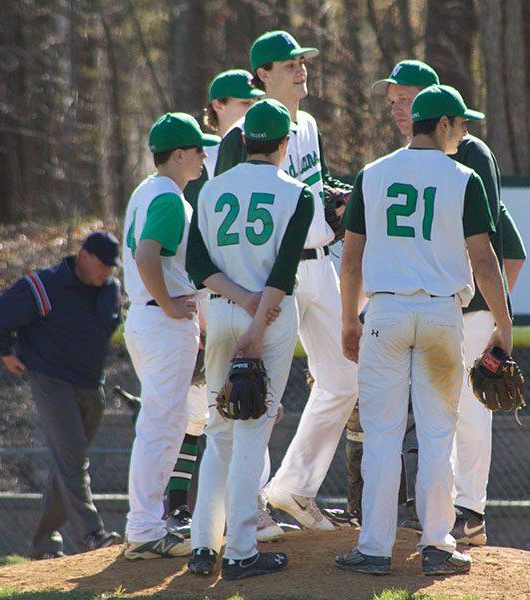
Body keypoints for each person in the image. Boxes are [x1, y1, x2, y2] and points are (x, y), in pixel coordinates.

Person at [338, 60, 528, 544]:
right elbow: (487, 259)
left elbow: (352, 261)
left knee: (385, 433)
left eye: (404, 100)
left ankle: (374, 545)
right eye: (460, 123)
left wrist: (349, 320)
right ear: (442, 122)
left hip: (385, 313)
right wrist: (505, 323)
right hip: (444, 312)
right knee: (441, 432)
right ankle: (439, 540)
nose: (463, 132)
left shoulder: (373, 173)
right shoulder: (461, 176)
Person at [214, 29, 358, 536]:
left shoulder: (310, 124)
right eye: (287, 62)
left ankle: (294, 488)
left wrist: (337, 199)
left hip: (321, 262)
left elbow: (311, 189)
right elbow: (228, 209)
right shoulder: (239, 139)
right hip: (276, 274)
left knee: (345, 378)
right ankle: (247, 507)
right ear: (262, 76)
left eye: (302, 60)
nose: (300, 68)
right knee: (262, 393)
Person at [186, 99, 314, 580]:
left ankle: (203, 544)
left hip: (221, 311)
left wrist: (240, 300)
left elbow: (198, 264)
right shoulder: (297, 193)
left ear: (241, 141)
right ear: (284, 144)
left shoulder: (210, 189)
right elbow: (284, 269)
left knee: (218, 430)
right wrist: (257, 325)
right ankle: (240, 550)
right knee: (252, 431)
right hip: (272, 316)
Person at [165, 68, 265, 539]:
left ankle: (226, 514)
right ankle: (178, 507)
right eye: (242, 104)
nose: (249, 112)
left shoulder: (247, 152)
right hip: (197, 290)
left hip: (226, 292)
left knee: (222, 411)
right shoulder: (200, 153)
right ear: (218, 105)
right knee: (193, 410)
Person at [0, 231, 124, 560]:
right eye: (103, 265)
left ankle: (43, 544)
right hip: (51, 379)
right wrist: (6, 351)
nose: (107, 272)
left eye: (112, 267)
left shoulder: (110, 290)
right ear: (84, 255)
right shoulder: (44, 285)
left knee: (67, 464)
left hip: (92, 384)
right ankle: (91, 534)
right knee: (73, 459)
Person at [120, 112, 220, 560]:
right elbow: (146, 256)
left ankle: (147, 525)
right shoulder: (167, 196)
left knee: (164, 423)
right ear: (178, 154)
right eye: (197, 149)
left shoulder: (148, 189)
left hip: (147, 319)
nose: (202, 156)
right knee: (161, 426)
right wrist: (169, 303)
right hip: (161, 321)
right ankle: (144, 529)